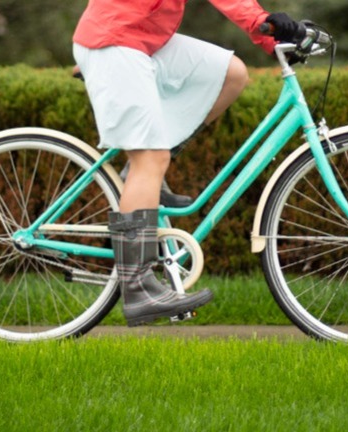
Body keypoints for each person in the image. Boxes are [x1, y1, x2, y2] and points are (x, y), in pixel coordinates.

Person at [73, 0, 300, 327]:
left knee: (231, 74)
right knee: (150, 159)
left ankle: (140, 179)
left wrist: (277, 38)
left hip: (144, 37)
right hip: (116, 39)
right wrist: (263, 24)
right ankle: (137, 287)